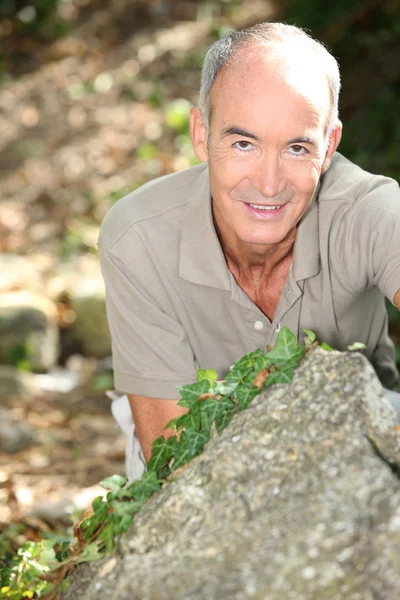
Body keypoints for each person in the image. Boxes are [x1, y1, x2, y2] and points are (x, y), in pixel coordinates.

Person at [98, 22, 400, 480]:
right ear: (201, 135)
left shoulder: (372, 210)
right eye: (243, 143)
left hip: (363, 432)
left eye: (298, 148)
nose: (268, 183)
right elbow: (171, 457)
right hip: (200, 445)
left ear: (329, 145)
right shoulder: (138, 236)